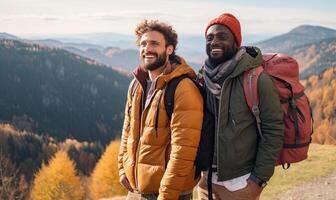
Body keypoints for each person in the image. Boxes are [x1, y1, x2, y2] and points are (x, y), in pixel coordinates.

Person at [198, 13, 284, 200]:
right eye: (210, 37)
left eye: (222, 36)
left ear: (236, 42)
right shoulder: (203, 77)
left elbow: (274, 130)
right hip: (205, 182)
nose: (214, 41)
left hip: (240, 183)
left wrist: (258, 180)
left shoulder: (256, 78)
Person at [118, 19, 204, 200]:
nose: (147, 49)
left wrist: (167, 194)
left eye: (154, 44)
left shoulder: (183, 88)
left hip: (170, 193)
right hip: (136, 189)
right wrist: (122, 169)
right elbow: (127, 131)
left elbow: (183, 151)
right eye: (143, 44)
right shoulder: (136, 85)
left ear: (169, 49)